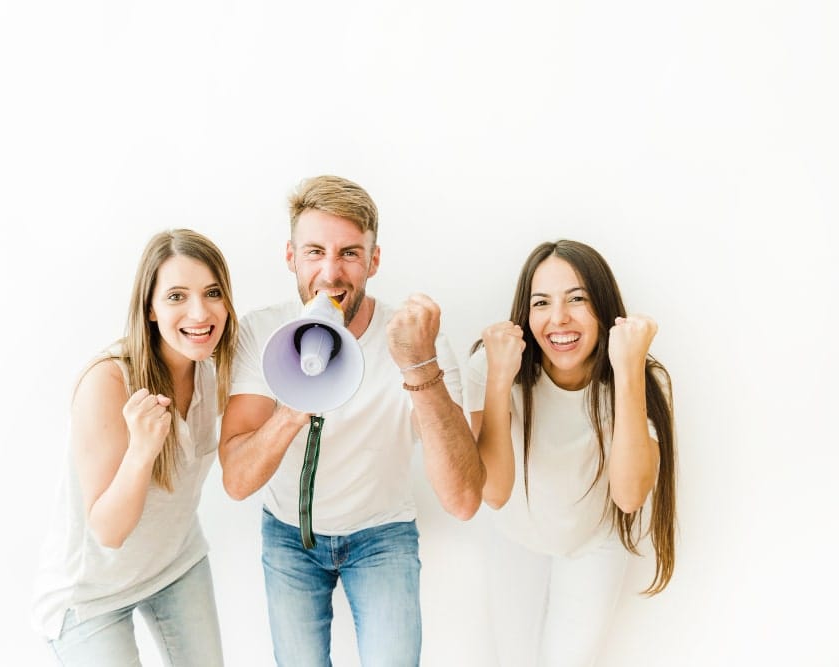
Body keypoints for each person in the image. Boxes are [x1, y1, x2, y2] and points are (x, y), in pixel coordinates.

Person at [218, 174, 485, 666]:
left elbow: (464, 500)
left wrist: (420, 366)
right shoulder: (261, 333)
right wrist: (296, 402)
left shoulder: (415, 339)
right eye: (315, 251)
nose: (330, 273)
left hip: (381, 536)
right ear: (291, 257)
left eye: (349, 253)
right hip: (289, 538)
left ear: (373, 261)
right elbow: (236, 481)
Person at [31, 229, 238, 666]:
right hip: (90, 595)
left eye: (212, 292)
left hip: (176, 563)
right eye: (177, 296)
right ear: (150, 307)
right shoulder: (108, 381)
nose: (199, 313)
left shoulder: (215, 366)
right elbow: (108, 531)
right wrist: (142, 451)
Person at [466, 239, 676, 667]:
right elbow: (495, 492)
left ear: (603, 306)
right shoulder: (491, 366)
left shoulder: (643, 376)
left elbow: (630, 495)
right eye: (541, 302)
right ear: (526, 315)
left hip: (595, 540)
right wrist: (499, 380)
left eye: (577, 299)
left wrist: (629, 370)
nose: (558, 319)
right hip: (515, 532)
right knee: (513, 658)